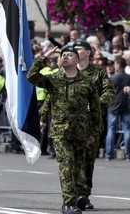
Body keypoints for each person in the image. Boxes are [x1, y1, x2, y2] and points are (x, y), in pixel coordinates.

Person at [28, 45, 100, 214]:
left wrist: (93, 133)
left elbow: (95, 110)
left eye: (69, 54)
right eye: (63, 55)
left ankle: (75, 199)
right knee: (66, 165)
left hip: (81, 131)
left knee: (77, 167)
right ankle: (68, 203)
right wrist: (45, 56)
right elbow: (31, 76)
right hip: (60, 131)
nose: (65, 57)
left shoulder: (87, 82)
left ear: (77, 60)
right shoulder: (53, 79)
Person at [73, 40, 114, 210]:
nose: (75, 51)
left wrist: (95, 103)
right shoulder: (68, 71)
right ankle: (73, 194)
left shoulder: (98, 72)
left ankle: (84, 195)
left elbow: (110, 92)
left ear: (88, 52)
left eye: (78, 49)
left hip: (91, 125)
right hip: (71, 124)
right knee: (72, 161)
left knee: (88, 161)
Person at [105, 57, 130, 161]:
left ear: (118, 65)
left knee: (111, 130)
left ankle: (108, 154)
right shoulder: (128, 78)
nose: (114, 66)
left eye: (115, 64)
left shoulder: (112, 78)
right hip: (126, 105)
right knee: (127, 130)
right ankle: (128, 155)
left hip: (113, 105)